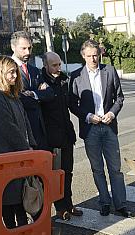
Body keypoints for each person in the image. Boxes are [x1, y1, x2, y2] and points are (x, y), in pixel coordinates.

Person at [69, 39, 131, 217]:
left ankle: (120, 204)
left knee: (115, 169)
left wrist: (112, 113)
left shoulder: (109, 71)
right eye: (89, 56)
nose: (93, 59)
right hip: (91, 129)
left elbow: (119, 98)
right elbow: (72, 103)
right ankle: (104, 202)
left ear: (100, 54)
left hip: (109, 126)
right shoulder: (76, 76)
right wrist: (88, 116)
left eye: (95, 55)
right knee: (97, 169)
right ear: (83, 56)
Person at [0, 55, 36, 229]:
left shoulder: (11, 94)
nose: (15, 76)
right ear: (0, 73)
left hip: (16, 156)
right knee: (8, 202)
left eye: (15, 72)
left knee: (20, 200)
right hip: (4, 157)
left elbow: (25, 123)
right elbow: (6, 127)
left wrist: (31, 144)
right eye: (10, 72)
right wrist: (25, 148)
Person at [40, 51, 82, 220]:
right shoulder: (40, 81)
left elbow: (71, 104)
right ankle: (60, 207)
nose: (58, 68)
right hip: (52, 138)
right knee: (56, 175)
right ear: (46, 65)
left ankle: (69, 203)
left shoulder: (64, 79)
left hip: (67, 135)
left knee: (68, 172)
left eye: (59, 64)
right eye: (54, 65)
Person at [10, 30, 52, 150]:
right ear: (13, 47)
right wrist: (39, 95)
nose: (27, 52)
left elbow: (50, 94)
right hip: (22, 131)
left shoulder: (34, 70)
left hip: (39, 130)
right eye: (23, 48)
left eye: (29, 48)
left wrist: (33, 93)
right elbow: (18, 98)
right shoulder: (8, 70)